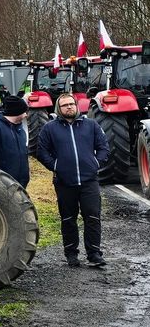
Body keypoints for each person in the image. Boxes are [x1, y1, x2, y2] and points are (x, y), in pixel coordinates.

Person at [36, 92, 110, 268]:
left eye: (71, 104)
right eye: (65, 105)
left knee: (92, 217)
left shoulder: (91, 125)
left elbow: (104, 147)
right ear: (59, 109)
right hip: (64, 182)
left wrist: (95, 163)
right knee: (68, 219)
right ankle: (71, 254)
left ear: (76, 106)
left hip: (89, 181)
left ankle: (94, 254)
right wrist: (56, 166)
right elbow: (41, 152)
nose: (69, 107)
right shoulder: (50, 128)